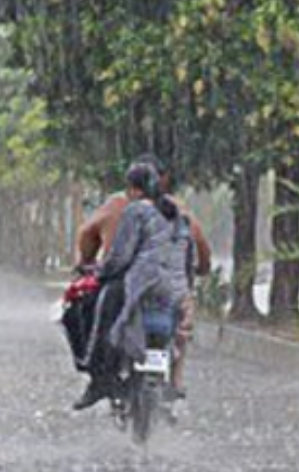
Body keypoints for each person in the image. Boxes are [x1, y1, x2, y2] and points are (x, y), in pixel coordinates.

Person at [76, 155, 211, 399]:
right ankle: (177, 380)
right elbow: (195, 251)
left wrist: (99, 271)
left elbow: (121, 255)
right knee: (182, 328)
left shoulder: (134, 210)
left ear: (133, 189)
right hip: (176, 290)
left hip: (142, 285)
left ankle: (99, 376)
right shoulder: (180, 214)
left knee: (104, 306)